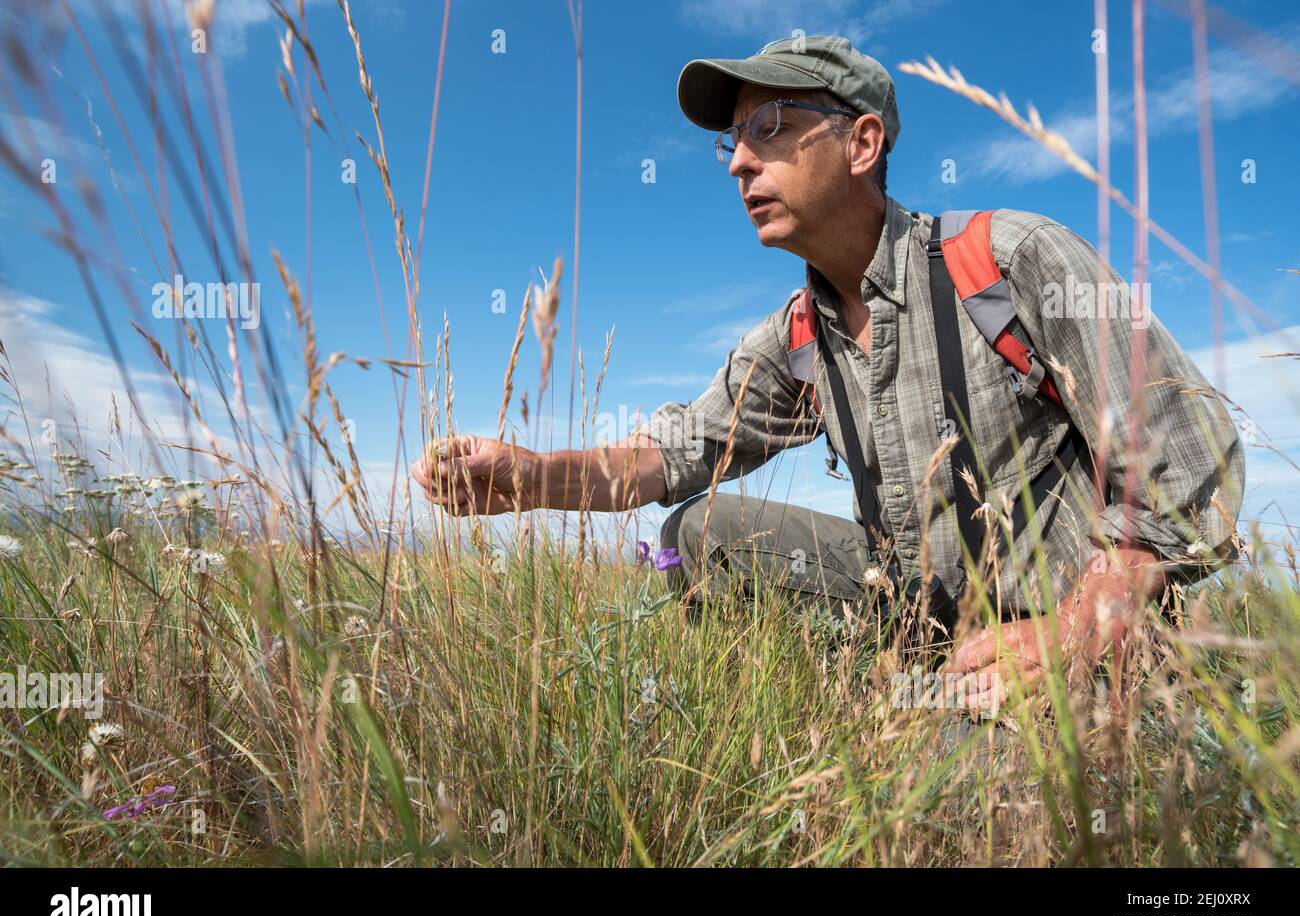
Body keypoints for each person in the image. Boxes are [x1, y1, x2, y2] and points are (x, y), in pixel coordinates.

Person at [411, 35, 1244, 700]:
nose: (739, 159)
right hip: (919, 613)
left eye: (768, 125)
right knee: (699, 534)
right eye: (731, 140)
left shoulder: (1008, 258)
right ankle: (867, 691)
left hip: (1074, 631)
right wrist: (529, 475)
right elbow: (677, 451)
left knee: (968, 792)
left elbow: (1187, 455)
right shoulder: (797, 337)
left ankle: (1024, 709)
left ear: (862, 141)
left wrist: (1085, 621)